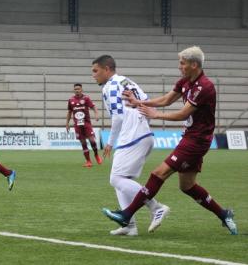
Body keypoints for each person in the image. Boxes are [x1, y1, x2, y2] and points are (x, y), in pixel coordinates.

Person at [102, 46, 238, 235]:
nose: (179, 66)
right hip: (191, 137)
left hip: (197, 140)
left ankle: (128, 214)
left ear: (194, 64)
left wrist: (155, 115)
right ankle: (224, 214)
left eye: (182, 63)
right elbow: (166, 99)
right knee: (187, 186)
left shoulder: (204, 87)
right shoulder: (185, 81)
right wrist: (140, 103)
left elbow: (183, 114)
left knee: (159, 173)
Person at [92, 55, 170, 236]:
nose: (94, 75)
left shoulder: (110, 86)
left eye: (96, 71)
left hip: (133, 135)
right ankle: (129, 225)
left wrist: (110, 142)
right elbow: (149, 104)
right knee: (121, 179)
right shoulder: (127, 82)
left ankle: (156, 207)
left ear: (107, 69)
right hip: (144, 133)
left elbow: (118, 117)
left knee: (116, 180)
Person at [66, 83, 103, 167]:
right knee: (83, 143)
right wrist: (67, 124)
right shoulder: (71, 100)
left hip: (86, 124)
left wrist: (96, 114)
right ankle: (88, 161)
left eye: (78, 89)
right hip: (77, 125)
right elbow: (69, 112)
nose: (77, 90)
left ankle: (96, 155)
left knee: (92, 141)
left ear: (81, 90)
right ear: (73, 90)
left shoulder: (86, 98)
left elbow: (93, 107)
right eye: (75, 89)